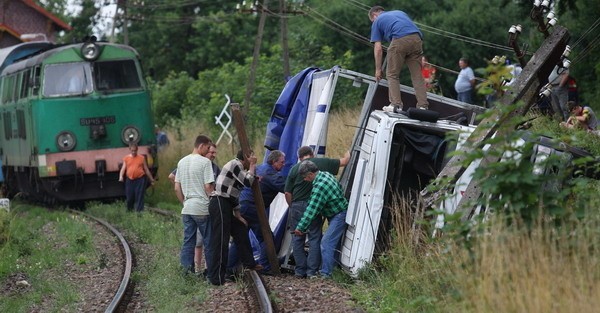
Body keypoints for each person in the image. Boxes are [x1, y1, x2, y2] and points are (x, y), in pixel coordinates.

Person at [285, 146, 350, 278]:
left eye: (305, 178)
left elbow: (311, 210)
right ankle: (319, 271)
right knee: (326, 241)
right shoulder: (326, 174)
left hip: (338, 215)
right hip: (337, 212)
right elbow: (339, 186)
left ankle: (325, 274)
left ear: (310, 174)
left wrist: (300, 227)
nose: (304, 180)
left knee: (325, 243)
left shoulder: (319, 186)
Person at [207, 150, 262, 286]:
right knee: (221, 241)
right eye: (252, 156)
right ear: (246, 157)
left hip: (226, 204)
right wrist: (253, 166)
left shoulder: (239, 169)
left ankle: (249, 263)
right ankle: (216, 279)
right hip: (219, 202)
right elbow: (247, 182)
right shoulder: (235, 164)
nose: (254, 158)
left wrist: (238, 215)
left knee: (240, 228)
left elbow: (234, 193)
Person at [228, 150, 286, 273]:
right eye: (282, 162)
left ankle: (229, 267)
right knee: (267, 237)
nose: (284, 164)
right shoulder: (270, 173)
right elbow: (285, 186)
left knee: (241, 237)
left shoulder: (260, 168)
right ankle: (265, 266)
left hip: (243, 204)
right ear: (274, 162)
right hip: (253, 207)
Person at [369, 5, 429, 112]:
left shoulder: (377, 21)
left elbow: (378, 49)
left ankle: (396, 105)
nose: (373, 23)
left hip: (399, 39)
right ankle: (423, 106)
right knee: (417, 76)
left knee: (392, 74)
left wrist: (378, 69)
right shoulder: (399, 12)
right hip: (417, 39)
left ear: (374, 15)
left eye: (372, 20)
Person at [174, 135, 215, 275]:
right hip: (202, 207)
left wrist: (184, 202)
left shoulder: (181, 162)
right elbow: (208, 187)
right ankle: (211, 273)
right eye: (208, 147)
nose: (208, 150)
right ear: (201, 146)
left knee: (188, 241)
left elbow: (176, 188)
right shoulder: (205, 162)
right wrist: (214, 204)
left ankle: (187, 273)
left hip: (187, 209)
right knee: (209, 242)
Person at [118, 143, 155, 212]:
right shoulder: (126, 158)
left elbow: (146, 169)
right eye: (132, 151)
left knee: (139, 196)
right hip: (130, 180)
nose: (133, 152)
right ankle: (129, 210)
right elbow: (123, 168)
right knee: (130, 197)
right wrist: (121, 177)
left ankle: (139, 212)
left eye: (135, 150)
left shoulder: (141, 158)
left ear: (137, 150)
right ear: (130, 150)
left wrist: (151, 179)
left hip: (140, 179)